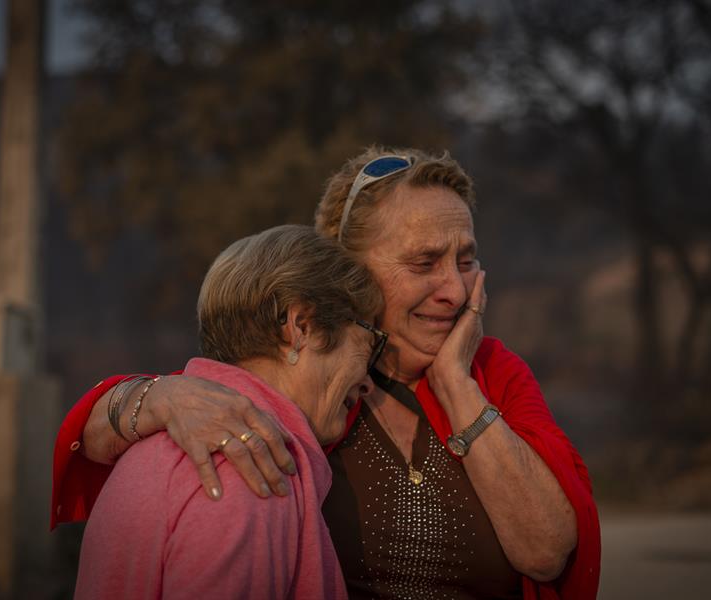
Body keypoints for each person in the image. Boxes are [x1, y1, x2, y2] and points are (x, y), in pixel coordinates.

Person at [52, 148, 601, 599]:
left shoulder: (492, 372)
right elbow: (109, 439)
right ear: (348, 271)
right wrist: (158, 397)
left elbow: (547, 552)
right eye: (424, 262)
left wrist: (458, 385)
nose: (456, 291)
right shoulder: (306, 379)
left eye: (466, 259)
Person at [74, 224, 385, 599]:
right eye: (371, 340)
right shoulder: (253, 466)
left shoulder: (144, 447)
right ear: (300, 326)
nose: (369, 382)